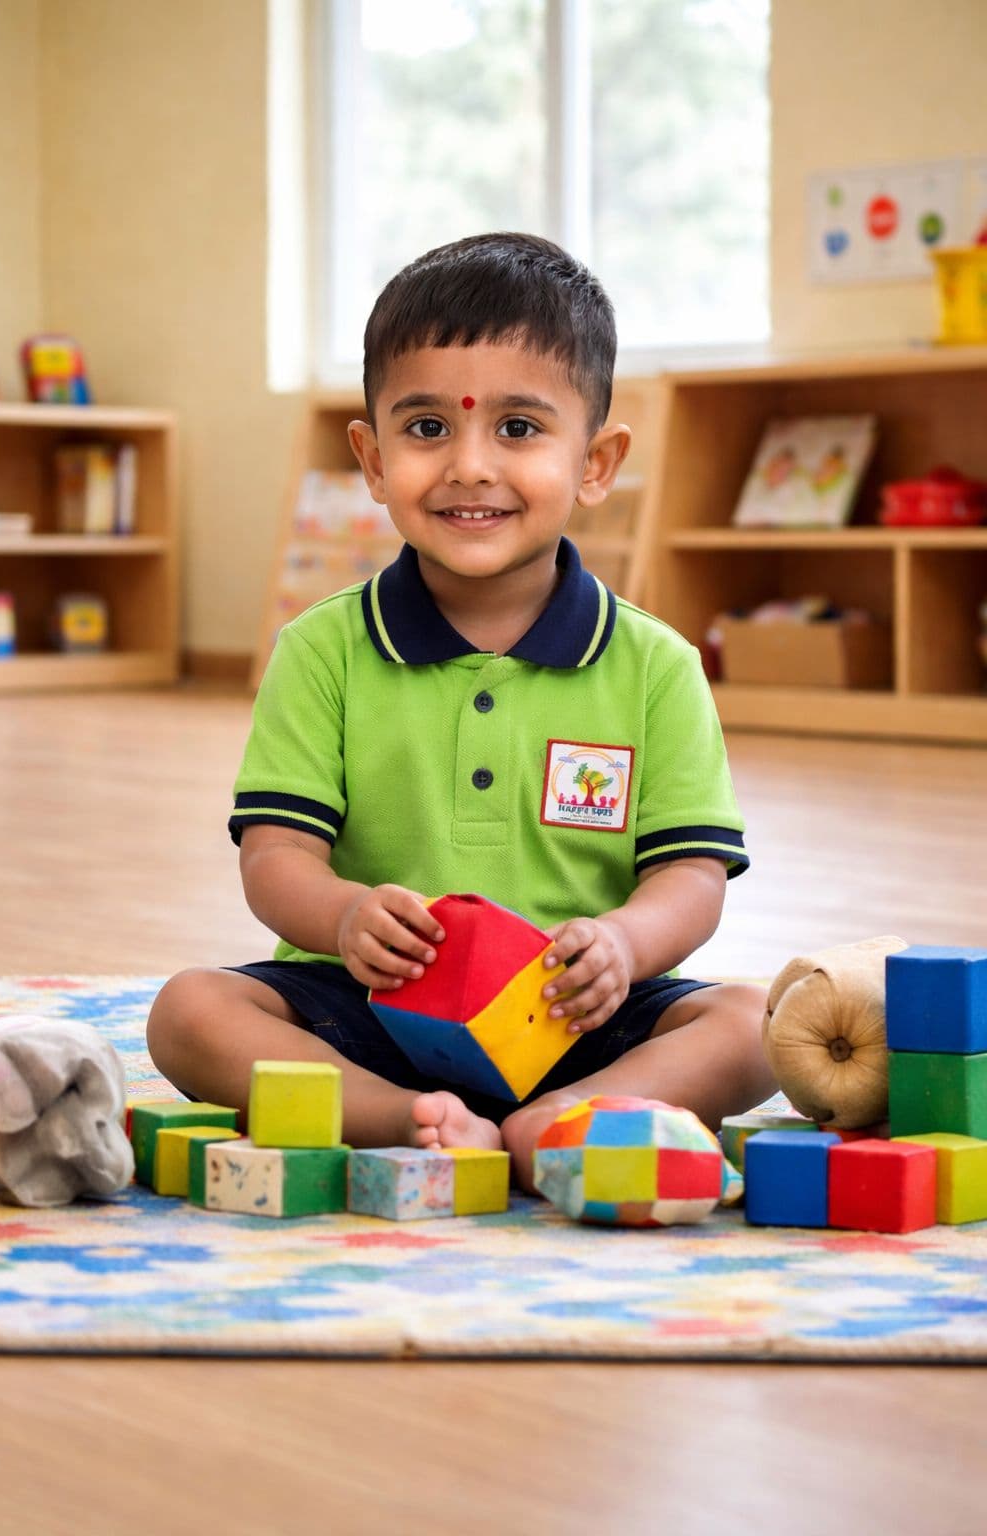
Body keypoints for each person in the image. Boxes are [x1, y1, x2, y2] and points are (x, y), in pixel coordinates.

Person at [147, 232, 775, 1191]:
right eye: (428, 428)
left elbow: (691, 878)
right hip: (370, 1010)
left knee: (755, 1022)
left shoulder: (656, 665)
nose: (470, 466)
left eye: (519, 429)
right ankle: (408, 1119)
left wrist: (622, 944)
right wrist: (346, 913)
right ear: (371, 454)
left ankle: (558, 1120)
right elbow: (274, 858)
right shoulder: (323, 650)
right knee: (188, 1011)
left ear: (596, 462)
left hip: (580, 1018)